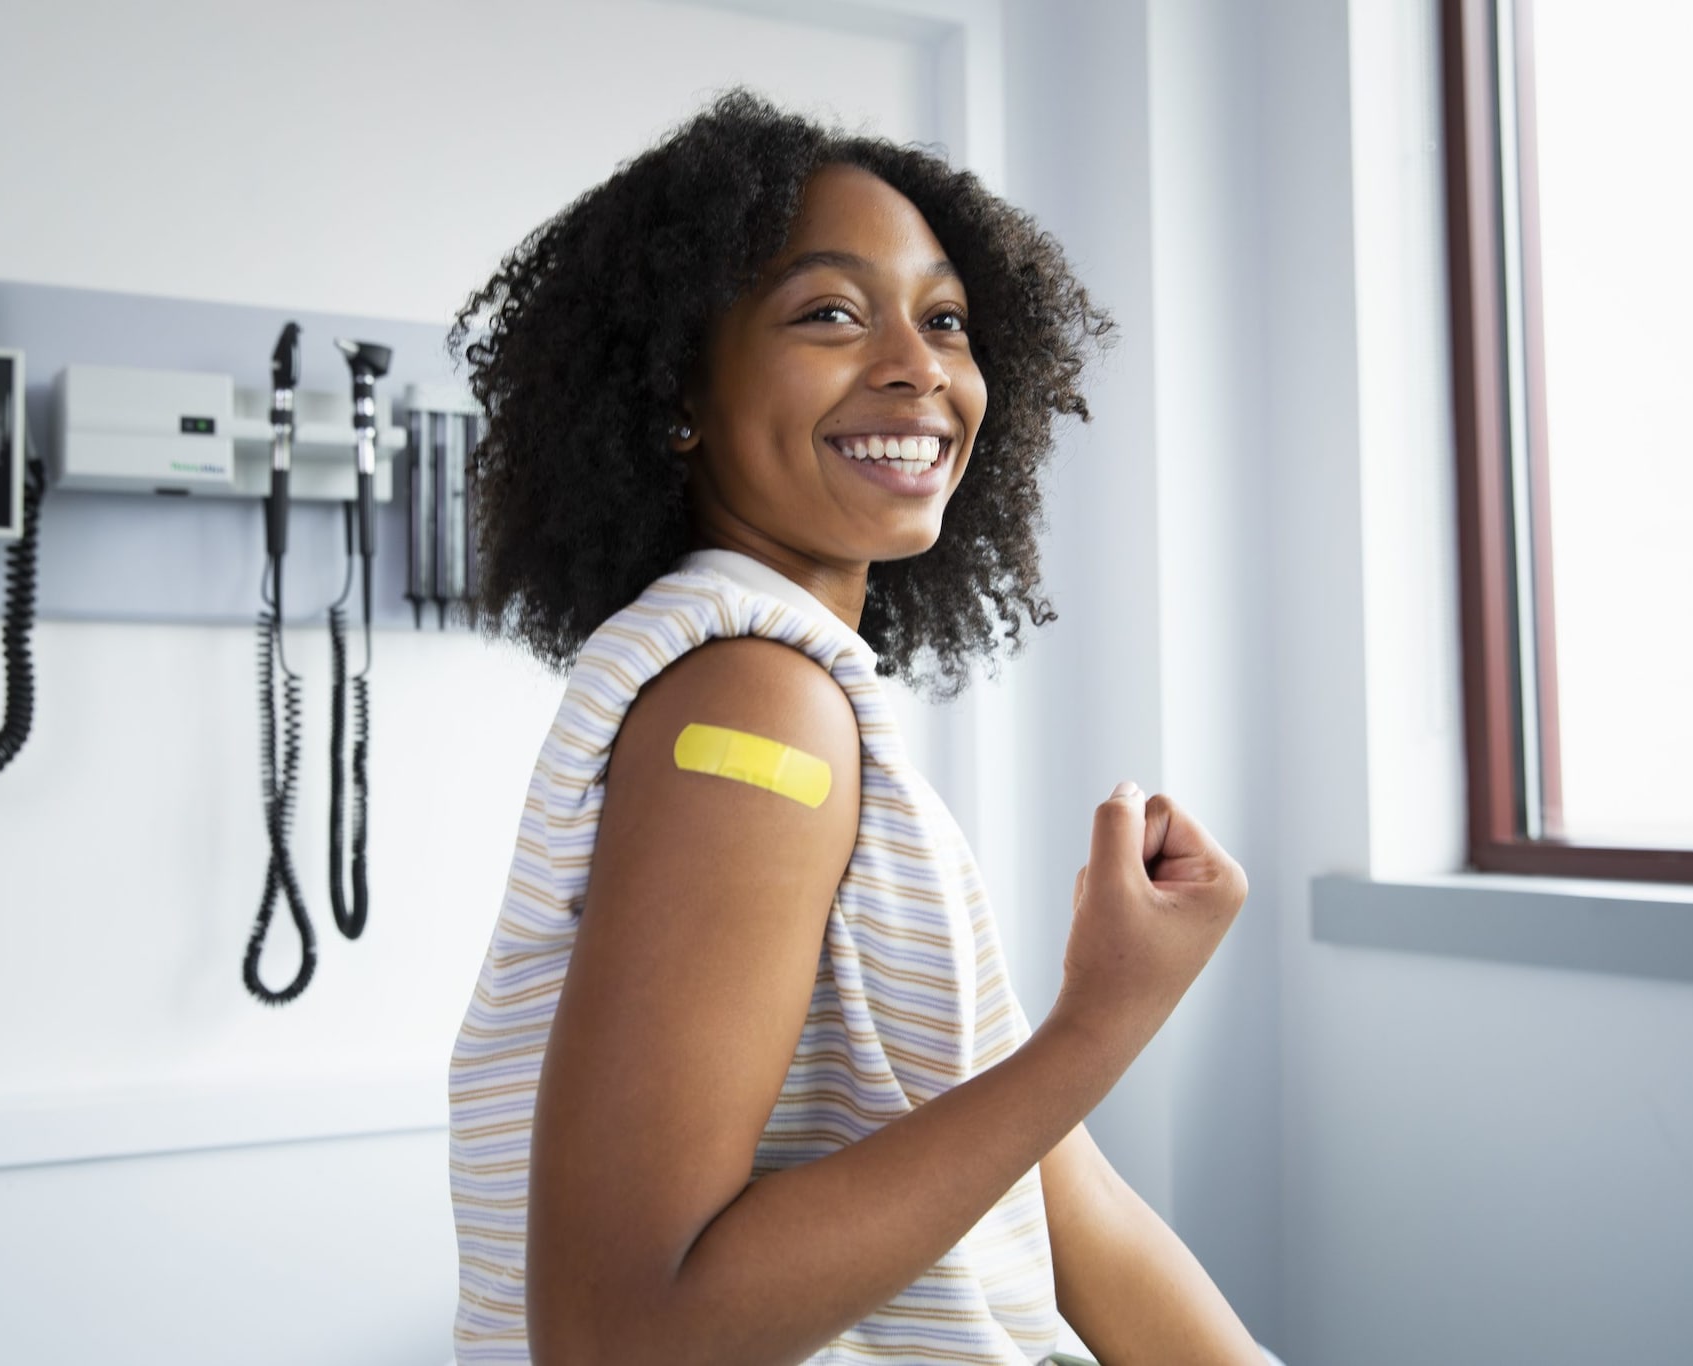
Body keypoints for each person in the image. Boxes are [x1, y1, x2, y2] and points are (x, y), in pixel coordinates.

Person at [445, 87, 1265, 1365]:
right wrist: (1103, 1019)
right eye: (828, 312)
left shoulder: (786, 688)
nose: (919, 367)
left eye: (943, 318)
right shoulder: (751, 703)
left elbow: (1062, 1198)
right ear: (679, 395)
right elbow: (616, 1340)